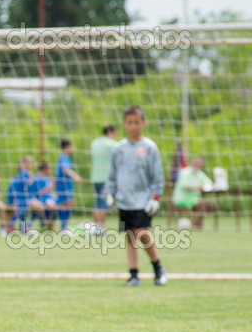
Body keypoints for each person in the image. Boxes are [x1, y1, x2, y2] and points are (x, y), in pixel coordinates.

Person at [105, 105, 166, 286]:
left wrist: (155, 197)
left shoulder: (149, 147)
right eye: (129, 123)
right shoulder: (119, 149)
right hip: (124, 200)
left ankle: (157, 267)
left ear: (143, 123)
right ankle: (134, 275)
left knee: (141, 233)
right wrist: (110, 193)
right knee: (130, 236)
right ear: (124, 124)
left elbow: (157, 176)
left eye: (137, 122)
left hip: (142, 200)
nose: (133, 126)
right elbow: (112, 175)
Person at [172, 156, 216, 229]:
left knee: (210, 205)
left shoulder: (199, 173)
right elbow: (186, 187)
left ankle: (195, 223)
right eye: (196, 163)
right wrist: (199, 187)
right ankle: (197, 226)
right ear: (192, 163)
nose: (198, 165)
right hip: (182, 198)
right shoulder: (185, 172)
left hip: (194, 199)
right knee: (201, 203)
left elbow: (210, 183)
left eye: (199, 164)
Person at [90, 125, 117, 234]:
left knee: (96, 202)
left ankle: (96, 227)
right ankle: (100, 228)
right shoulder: (112, 144)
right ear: (111, 132)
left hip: (95, 177)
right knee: (103, 203)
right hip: (106, 177)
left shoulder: (94, 143)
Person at [55, 139, 83, 232]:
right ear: (67, 147)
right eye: (71, 147)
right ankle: (63, 228)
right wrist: (76, 176)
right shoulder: (63, 157)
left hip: (67, 186)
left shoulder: (65, 157)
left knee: (70, 205)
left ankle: (63, 227)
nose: (72, 149)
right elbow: (65, 170)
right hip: (63, 187)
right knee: (65, 205)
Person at [6, 156, 35, 233]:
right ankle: (10, 226)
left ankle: (24, 227)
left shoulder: (24, 172)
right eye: (29, 162)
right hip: (17, 198)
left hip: (20, 198)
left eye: (31, 162)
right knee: (22, 210)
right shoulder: (24, 173)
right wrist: (32, 178)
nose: (31, 164)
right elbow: (26, 184)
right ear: (24, 163)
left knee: (25, 211)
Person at [31, 161, 57, 229]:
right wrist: (51, 186)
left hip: (47, 198)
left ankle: (50, 227)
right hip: (39, 199)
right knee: (50, 205)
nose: (51, 170)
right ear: (44, 169)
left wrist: (54, 194)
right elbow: (39, 192)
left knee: (59, 203)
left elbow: (50, 192)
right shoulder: (37, 178)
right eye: (50, 168)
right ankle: (44, 226)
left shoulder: (46, 178)